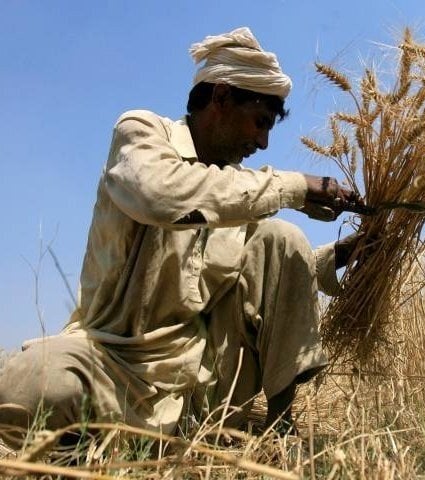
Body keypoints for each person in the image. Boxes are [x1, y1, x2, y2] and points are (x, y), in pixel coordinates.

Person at [0, 27, 362, 447]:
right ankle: (120, 438)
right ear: (221, 98)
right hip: (113, 365)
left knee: (280, 235)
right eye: (260, 123)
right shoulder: (140, 135)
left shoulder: (235, 189)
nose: (263, 143)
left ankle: (280, 433)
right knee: (43, 384)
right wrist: (295, 188)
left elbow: (272, 268)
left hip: (199, 384)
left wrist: (340, 254)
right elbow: (160, 194)